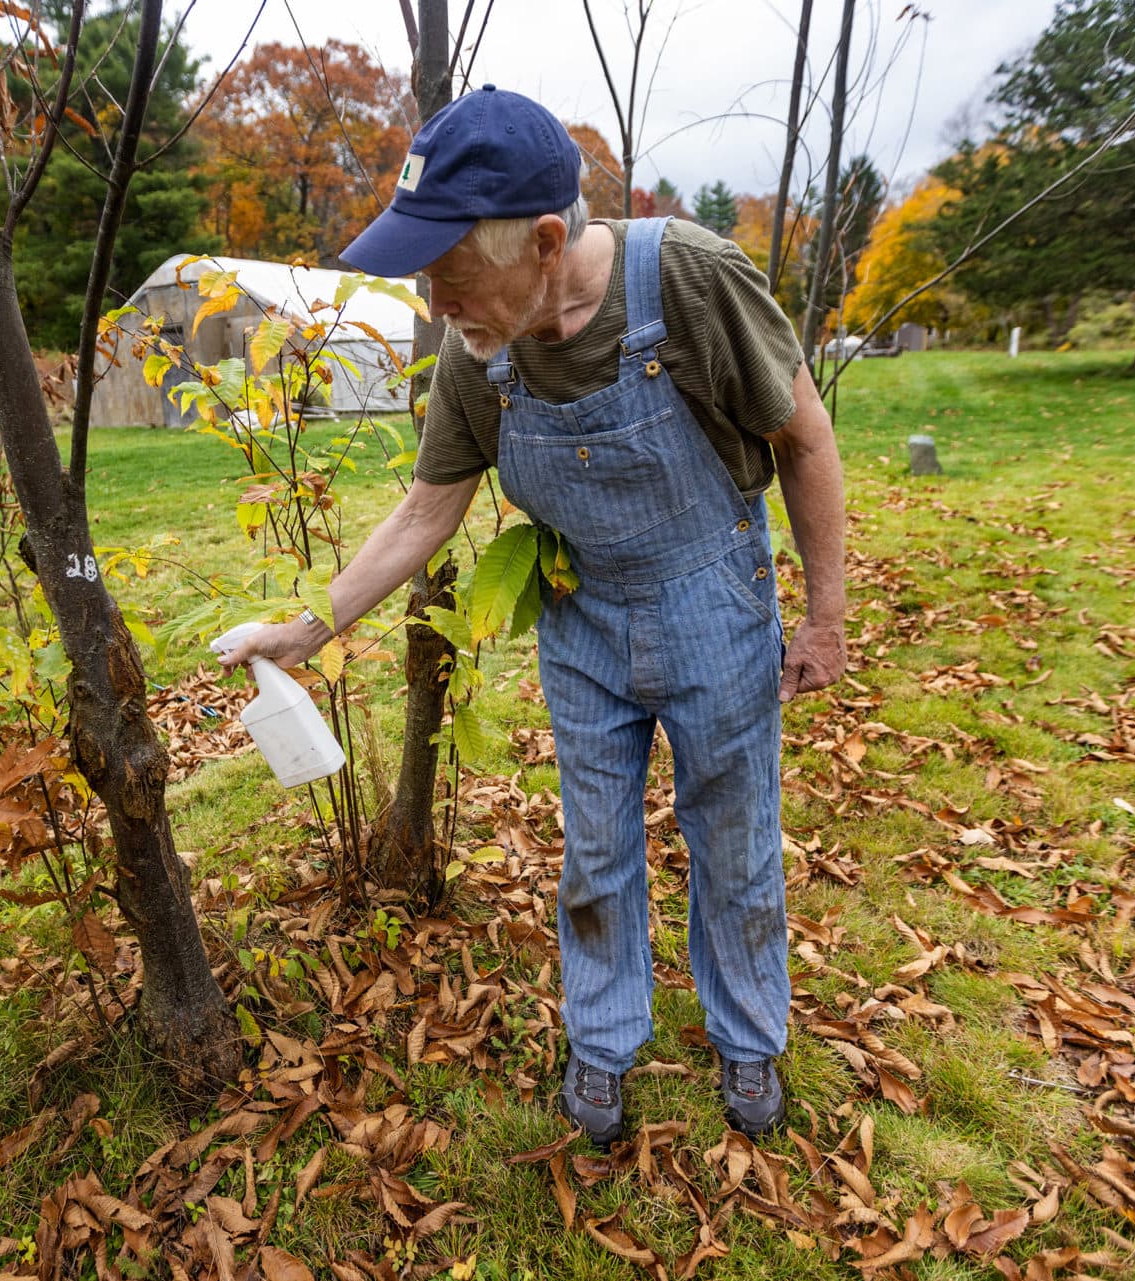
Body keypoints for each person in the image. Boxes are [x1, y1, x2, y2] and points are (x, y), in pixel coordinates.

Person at [218, 86, 848, 1144]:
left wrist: (824, 617)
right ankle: (605, 1045)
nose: (430, 295)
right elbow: (430, 506)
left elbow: (805, 440)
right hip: (584, 624)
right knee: (596, 854)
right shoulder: (480, 349)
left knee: (734, 842)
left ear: (546, 241)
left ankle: (749, 1043)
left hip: (714, 606)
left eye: (446, 266)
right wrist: (311, 628)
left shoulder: (688, 278)